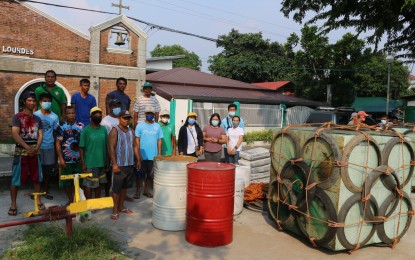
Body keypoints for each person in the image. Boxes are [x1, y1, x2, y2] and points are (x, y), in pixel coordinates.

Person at [9, 92, 44, 216]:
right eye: (29, 100)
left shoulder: (38, 119)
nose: (32, 103)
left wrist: (36, 147)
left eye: (34, 101)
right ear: (24, 101)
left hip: (35, 152)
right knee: (16, 179)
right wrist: (27, 147)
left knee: (37, 178)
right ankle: (13, 203)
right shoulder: (17, 117)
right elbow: (15, 134)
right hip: (21, 152)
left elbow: (40, 135)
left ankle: (38, 200)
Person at [108, 110, 138, 220]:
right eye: (124, 118)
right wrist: (114, 164)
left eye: (128, 118)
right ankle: (115, 210)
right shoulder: (115, 131)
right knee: (116, 189)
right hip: (119, 165)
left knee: (125, 187)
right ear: (119, 118)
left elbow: (135, 146)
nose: (127, 120)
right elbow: (111, 148)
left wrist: (138, 159)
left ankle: (121, 206)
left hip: (129, 163)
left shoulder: (131, 131)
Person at [55, 106, 84, 205]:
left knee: (80, 181)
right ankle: (70, 200)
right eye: (68, 113)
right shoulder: (61, 126)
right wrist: (61, 159)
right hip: (66, 160)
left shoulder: (81, 126)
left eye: (73, 113)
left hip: (79, 160)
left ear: (75, 114)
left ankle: (78, 200)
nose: (71, 115)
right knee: (67, 182)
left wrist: (83, 160)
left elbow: (83, 144)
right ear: (65, 115)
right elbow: (58, 143)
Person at [34, 92, 59, 200]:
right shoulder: (35, 115)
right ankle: (37, 192)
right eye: (44, 101)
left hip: (49, 147)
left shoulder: (55, 116)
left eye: (48, 101)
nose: (46, 103)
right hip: (37, 147)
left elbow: (56, 133)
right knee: (37, 170)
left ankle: (46, 191)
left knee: (48, 172)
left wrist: (56, 151)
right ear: (40, 102)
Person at [134, 106, 163, 199]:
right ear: (145, 114)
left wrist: (159, 153)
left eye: (151, 113)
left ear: (154, 115)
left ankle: (146, 191)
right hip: (142, 156)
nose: (149, 115)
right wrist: (138, 154)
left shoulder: (157, 126)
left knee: (150, 175)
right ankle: (137, 191)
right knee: (139, 175)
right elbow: (137, 140)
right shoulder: (140, 125)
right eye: (148, 113)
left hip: (153, 156)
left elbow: (159, 140)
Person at [79, 107, 108, 199]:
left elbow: (107, 146)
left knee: (98, 184)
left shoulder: (103, 129)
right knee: (89, 185)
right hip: (90, 163)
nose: (98, 117)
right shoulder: (86, 130)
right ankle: (89, 203)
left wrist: (107, 161)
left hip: (101, 162)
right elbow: (81, 148)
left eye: (99, 116)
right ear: (91, 117)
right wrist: (83, 163)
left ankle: (97, 203)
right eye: (95, 115)